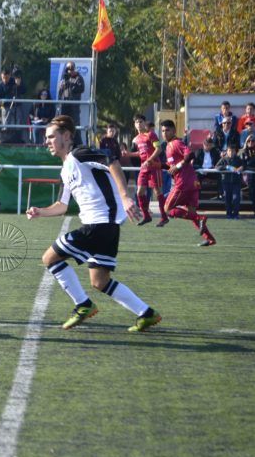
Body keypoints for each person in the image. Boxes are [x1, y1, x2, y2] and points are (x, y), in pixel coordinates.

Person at [26, 115, 161, 332]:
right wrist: (40, 211)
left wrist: (125, 197)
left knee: (49, 258)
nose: (47, 141)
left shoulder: (79, 154)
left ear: (67, 136)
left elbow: (112, 161)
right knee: (100, 281)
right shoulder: (66, 168)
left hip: (98, 224)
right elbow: (62, 205)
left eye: (51, 136)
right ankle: (146, 313)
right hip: (106, 226)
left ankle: (83, 305)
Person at [159, 119, 217, 247]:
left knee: (167, 209)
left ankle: (200, 219)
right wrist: (159, 165)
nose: (164, 133)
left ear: (174, 131)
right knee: (191, 213)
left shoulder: (176, 143)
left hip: (183, 183)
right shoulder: (168, 146)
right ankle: (209, 238)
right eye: (162, 131)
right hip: (192, 182)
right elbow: (171, 165)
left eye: (167, 130)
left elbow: (190, 155)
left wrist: (177, 166)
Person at [126, 114, 168, 227]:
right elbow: (141, 153)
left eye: (141, 122)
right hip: (144, 167)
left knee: (158, 192)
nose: (139, 124)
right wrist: (128, 154)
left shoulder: (151, 134)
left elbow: (159, 149)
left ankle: (164, 217)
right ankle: (146, 216)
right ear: (134, 125)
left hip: (154, 166)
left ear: (145, 123)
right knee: (139, 192)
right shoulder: (136, 139)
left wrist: (150, 159)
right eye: (137, 122)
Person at [57, 61, 85, 145]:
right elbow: (60, 93)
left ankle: (78, 145)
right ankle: (64, 144)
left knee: (75, 126)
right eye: (68, 68)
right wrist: (62, 85)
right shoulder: (64, 78)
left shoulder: (78, 77)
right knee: (63, 125)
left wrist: (71, 84)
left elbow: (81, 89)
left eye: (72, 68)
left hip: (73, 106)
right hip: (64, 105)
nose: (70, 70)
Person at [215, 142, 244, 219]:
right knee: (227, 199)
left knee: (236, 198)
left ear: (235, 151)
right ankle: (229, 213)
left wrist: (242, 167)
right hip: (226, 182)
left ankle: (236, 214)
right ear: (227, 151)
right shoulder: (223, 159)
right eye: (229, 151)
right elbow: (217, 167)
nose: (231, 152)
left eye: (233, 151)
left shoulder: (238, 159)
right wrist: (226, 167)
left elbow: (244, 165)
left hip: (236, 182)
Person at [240, 135, 255, 215]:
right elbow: (244, 165)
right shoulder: (243, 151)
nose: (251, 142)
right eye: (249, 141)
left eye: (253, 141)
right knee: (252, 193)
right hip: (249, 176)